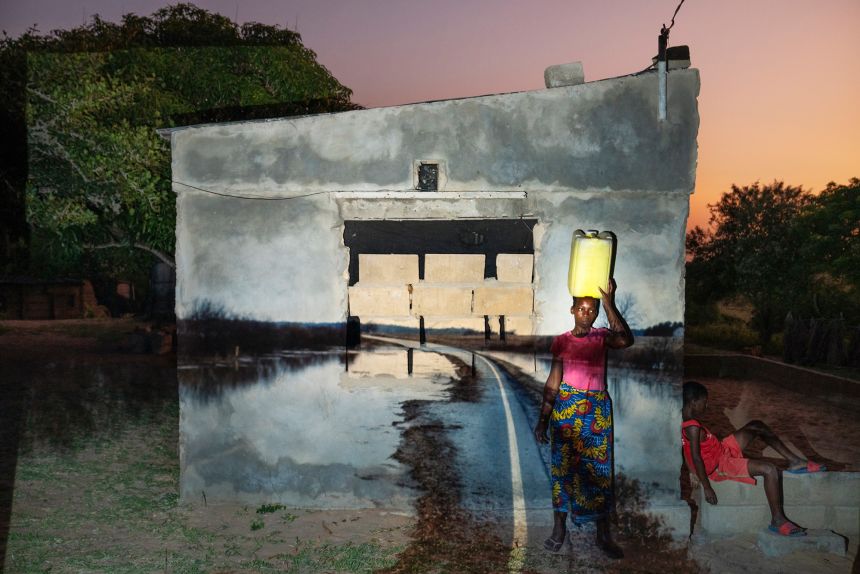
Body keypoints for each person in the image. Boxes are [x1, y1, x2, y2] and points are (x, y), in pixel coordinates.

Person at [534, 279, 633, 558]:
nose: (587, 313)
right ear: (572, 310)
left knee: (599, 471)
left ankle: (603, 535)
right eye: (582, 309)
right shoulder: (562, 342)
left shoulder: (602, 337)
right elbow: (553, 382)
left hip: (597, 411)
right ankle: (559, 529)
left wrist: (610, 302)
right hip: (566, 409)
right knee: (562, 471)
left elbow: (625, 339)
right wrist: (543, 419)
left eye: (592, 310)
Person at [680, 381, 826, 537]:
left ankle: (795, 461)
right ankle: (777, 520)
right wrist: (706, 486)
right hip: (720, 465)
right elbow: (696, 457)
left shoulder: (683, 419)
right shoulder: (693, 427)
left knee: (757, 425)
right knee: (769, 470)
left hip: (721, 449)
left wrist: (691, 471)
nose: (707, 405)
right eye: (704, 401)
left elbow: (685, 449)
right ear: (694, 402)